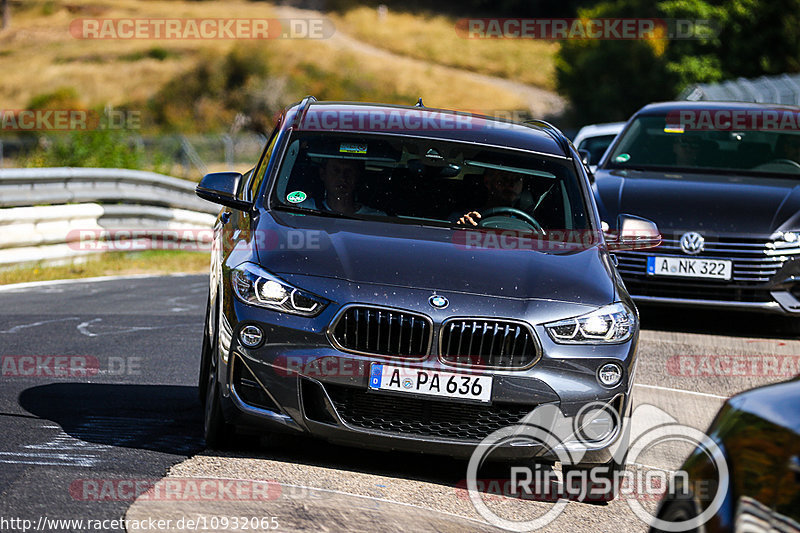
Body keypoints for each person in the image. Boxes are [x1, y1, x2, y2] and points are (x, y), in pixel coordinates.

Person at [301, 158, 385, 216]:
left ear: (357, 176)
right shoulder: (303, 210)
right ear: (323, 174)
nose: (342, 178)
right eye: (336, 171)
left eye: (349, 171)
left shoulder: (377, 219)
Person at [455, 167, 530, 226]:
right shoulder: (465, 218)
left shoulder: (527, 225)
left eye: (517, 179)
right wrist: (460, 229)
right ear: (487, 181)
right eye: (504, 178)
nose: (511, 185)